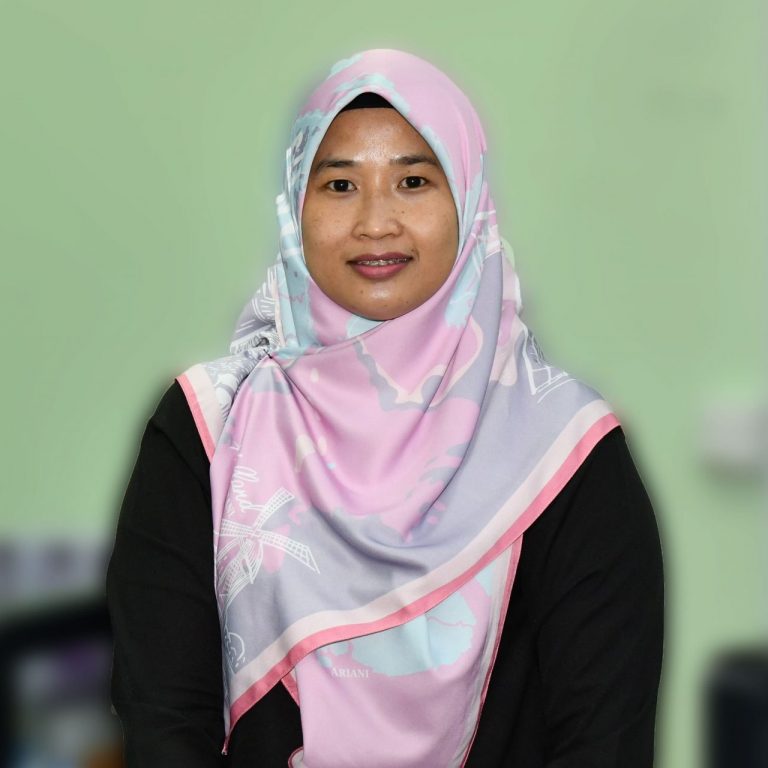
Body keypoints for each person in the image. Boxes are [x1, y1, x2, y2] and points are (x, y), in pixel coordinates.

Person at [106, 49, 664, 767]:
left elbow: (603, 740)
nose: (376, 222)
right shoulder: (210, 427)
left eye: (413, 181)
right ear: (296, 207)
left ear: (469, 203)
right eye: (340, 184)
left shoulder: (565, 450)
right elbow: (164, 719)